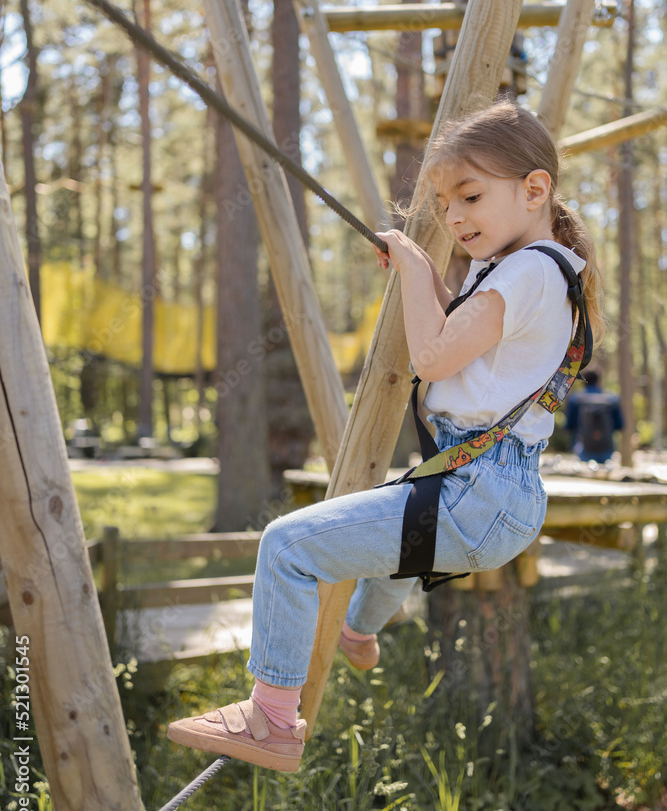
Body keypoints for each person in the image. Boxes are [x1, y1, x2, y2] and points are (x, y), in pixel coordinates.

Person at [168, 101, 604, 773]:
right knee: (393, 517)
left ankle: (271, 721)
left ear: (534, 189)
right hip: (491, 493)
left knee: (286, 546)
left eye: (469, 196)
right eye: (442, 202)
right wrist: (424, 273)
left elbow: (432, 358)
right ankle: (359, 631)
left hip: (477, 492)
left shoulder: (526, 272)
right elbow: (457, 334)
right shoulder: (541, 270)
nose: (453, 218)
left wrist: (408, 267)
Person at [566, 368, 623, 464]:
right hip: (606, 445)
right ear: (598, 380)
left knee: (585, 474)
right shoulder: (612, 399)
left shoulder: (575, 399)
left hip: (583, 445)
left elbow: (569, 425)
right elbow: (620, 425)